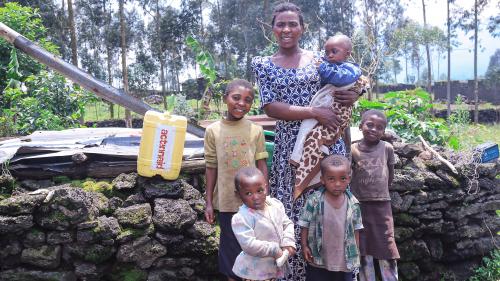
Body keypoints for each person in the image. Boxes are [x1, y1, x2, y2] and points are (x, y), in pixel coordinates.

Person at [252, 2, 361, 280]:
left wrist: (355, 94)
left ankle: (333, 271)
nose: (286, 29)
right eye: (281, 24)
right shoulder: (263, 65)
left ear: (302, 28)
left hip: (326, 145)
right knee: (293, 212)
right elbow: (270, 106)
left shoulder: (320, 59)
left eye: (293, 24)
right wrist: (314, 112)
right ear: (272, 29)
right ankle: (295, 275)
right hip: (291, 148)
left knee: (329, 207)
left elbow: (351, 78)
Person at [204, 79, 269, 281]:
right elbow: (211, 167)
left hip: (251, 202)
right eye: (236, 98)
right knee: (230, 251)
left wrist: (264, 195)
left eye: (248, 100)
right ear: (225, 99)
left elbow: (261, 164)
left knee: (252, 249)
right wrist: (208, 202)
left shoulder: (255, 130)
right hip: (226, 203)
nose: (241, 103)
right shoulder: (212, 131)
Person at [290, 34, 369, 198]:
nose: (330, 55)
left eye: (334, 51)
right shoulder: (325, 59)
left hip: (332, 118)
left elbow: (358, 81)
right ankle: (304, 168)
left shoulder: (332, 64)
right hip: (300, 123)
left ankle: (308, 172)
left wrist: (357, 93)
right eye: (328, 52)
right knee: (309, 137)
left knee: (315, 140)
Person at [350, 110, 400, 281]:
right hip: (359, 206)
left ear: (384, 132)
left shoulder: (387, 148)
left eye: (379, 127)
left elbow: (390, 175)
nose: (373, 129)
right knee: (363, 248)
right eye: (369, 125)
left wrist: (381, 192)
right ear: (360, 126)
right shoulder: (352, 149)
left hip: (382, 205)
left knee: (387, 245)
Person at [298, 154, 363, 281]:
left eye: (343, 179)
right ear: (323, 180)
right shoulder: (314, 200)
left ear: (349, 179)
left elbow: (356, 229)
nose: (337, 184)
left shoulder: (353, 203)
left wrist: (356, 251)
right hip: (318, 257)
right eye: (331, 179)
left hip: (343, 260)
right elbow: (304, 224)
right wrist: (304, 245)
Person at [231, 167, 297, 281]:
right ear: (238, 195)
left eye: (259, 190)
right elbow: (249, 245)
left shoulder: (275, 205)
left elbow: (287, 224)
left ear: (266, 187)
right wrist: (274, 250)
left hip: (272, 268)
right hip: (254, 272)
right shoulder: (241, 218)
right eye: (248, 193)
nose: (255, 197)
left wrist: (288, 242)